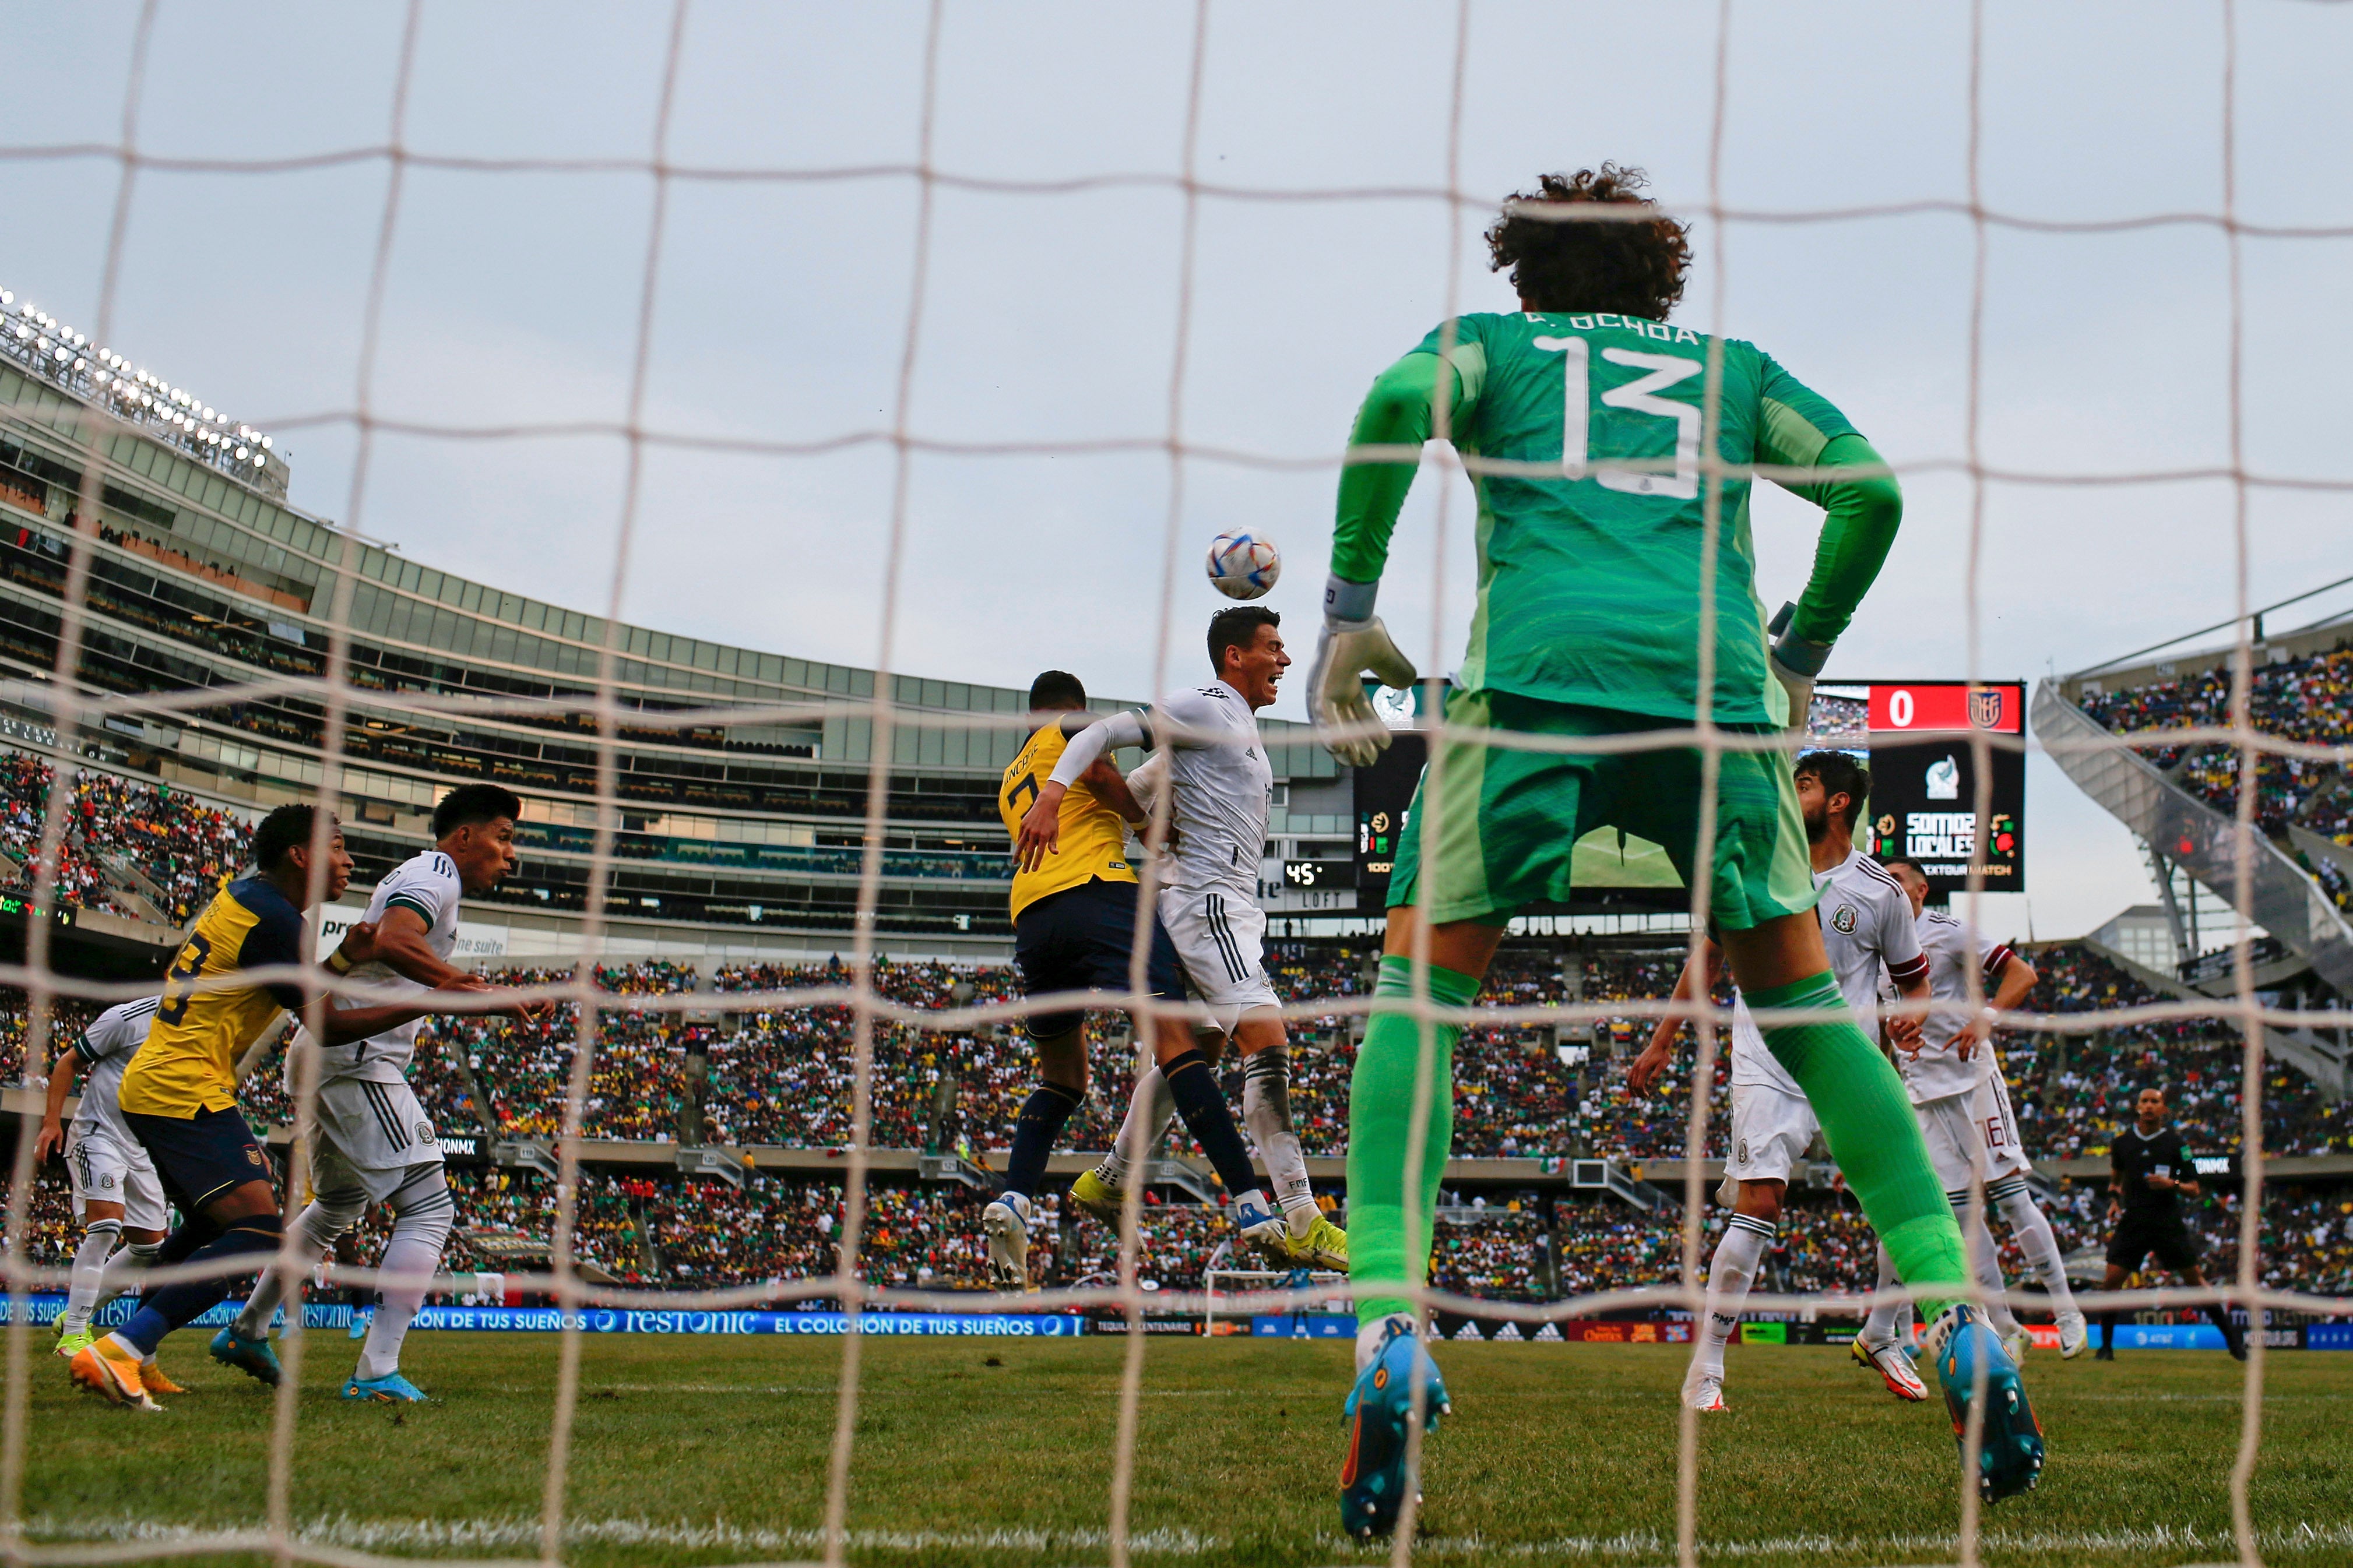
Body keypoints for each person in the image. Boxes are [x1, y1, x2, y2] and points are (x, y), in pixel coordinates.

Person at [1310, 165, 2042, 1534]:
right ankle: (1952, 1314)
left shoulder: (1492, 345)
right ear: (1661, 279)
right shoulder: (1729, 370)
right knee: (1815, 1019)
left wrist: (1348, 604)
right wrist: (1798, 648)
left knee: (1418, 1002)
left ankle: (1386, 1333)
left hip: (1528, 686)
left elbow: (1391, 408)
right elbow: (1870, 493)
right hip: (1711, 700)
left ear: (1521, 275)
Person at [68, 804, 508, 1411]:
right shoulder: (280, 920)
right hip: (181, 1085)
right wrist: (440, 999)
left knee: (210, 1225)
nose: (349, 860)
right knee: (257, 1230)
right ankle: (120, 1348)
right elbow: (325, 1024)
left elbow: (293, 987)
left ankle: (137, 1349)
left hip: (165, 1081)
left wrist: (347, 960)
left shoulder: (248, 900)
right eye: (338, 847)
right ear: (300, 854)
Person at [1018, 608, 1347, 1271]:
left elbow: (1125, 790)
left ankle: (1109, 1179)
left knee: (1200, 1049)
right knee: (1267, 1040)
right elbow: (1105, 731)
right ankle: (1302, 1214)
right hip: (1207, 907)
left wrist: (1136, 814)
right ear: (1234, 657)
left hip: (1205, 905)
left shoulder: (1224, 731)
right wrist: (1050, 794)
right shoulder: (1203, 706)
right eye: (1273, 648)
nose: (1283, 660)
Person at [1629, 752, 1932, 1411]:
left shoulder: (1879, 891)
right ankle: (1705, 1368)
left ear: (1838, 803)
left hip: (1846, 1065)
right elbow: (1708, 957)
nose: (1790, 794)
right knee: (1760, 1203)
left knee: (1904, 1199)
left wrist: (1909, 1022)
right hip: (1766, 1058)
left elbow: (1913, 981)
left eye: (1804, 784)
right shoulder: (1759, 870)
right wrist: (1660, 1042)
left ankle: (1881, 1332)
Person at [224, 784, 544, 1402]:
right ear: (464, 837)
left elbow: (396, 951)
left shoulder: (434, 881)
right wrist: (467, 988)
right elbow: (396, 939)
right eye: (504, 837)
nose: (512, 855)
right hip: (354, 1061)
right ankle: (375, 1371)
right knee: (429, 1206)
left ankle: (247, 1327)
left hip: (330, 1055)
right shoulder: (435, 873)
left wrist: (463, 989)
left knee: (336, 1207)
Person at [986, 670, 1288, 1289]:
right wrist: (1147, 825)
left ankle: (1014, 1197)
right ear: (1075, 708)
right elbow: (1098, 774)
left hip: (1033, 919)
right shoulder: (1070, 730)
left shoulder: (1010, 778)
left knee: (1062, 1080)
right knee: (1179, 1048)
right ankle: (1250, 1202)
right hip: (1100, 898)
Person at [1866, 858, 2088, 1362]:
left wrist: (1985, 1020)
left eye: (1897, 878)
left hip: (1973, 1083)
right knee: (1964, 1218)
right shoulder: (1878, 950)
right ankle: (2004, 1324)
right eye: (1883, 880)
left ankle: (2066, 1309)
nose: (1889, 887)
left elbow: (2021, 973)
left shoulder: (1948, 931)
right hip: (1923, 1095)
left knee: (2010, 1197)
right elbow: (1884, 1030)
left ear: (1922, 889)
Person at [35, 998, 168, 1369]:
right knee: (106, 1226)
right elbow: (68, 1063)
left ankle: (78, 1311)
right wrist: (51, 1122)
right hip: (98, 1135)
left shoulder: (199, 1029)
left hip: (140, 1147)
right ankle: (74, 1333)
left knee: (149, 1246)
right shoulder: (129, 1018)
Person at [2095, 1086, 2246, 1362]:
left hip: (2166, 1219)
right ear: (2138, 1107)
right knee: (2111, 1282)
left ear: (2164, 1109)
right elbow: (2115, 1180)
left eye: (2155, 1102)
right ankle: (2105, 1348)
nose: (2150, 1106)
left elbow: (2194, 1189)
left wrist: (2171, 1184)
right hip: (2135, 1220)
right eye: (2145, 1101)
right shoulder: (2122, 1143)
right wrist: (2114, 1201)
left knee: (2196, 1282)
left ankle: (2234, 1343)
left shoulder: (2177, 1144)